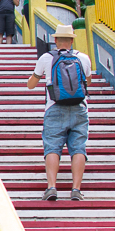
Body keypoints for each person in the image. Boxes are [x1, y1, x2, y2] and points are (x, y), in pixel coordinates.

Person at [27, 23, 92, 201]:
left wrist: (37, 76)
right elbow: (88, 82)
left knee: (52, 147)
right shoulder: (83, 58)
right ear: (72, 40)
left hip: (54, 108)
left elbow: (31, 85)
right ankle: (76, 190)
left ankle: (51, 187)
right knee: (78, 148)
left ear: (55, 40)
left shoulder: (46, 58)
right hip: (79, 108)